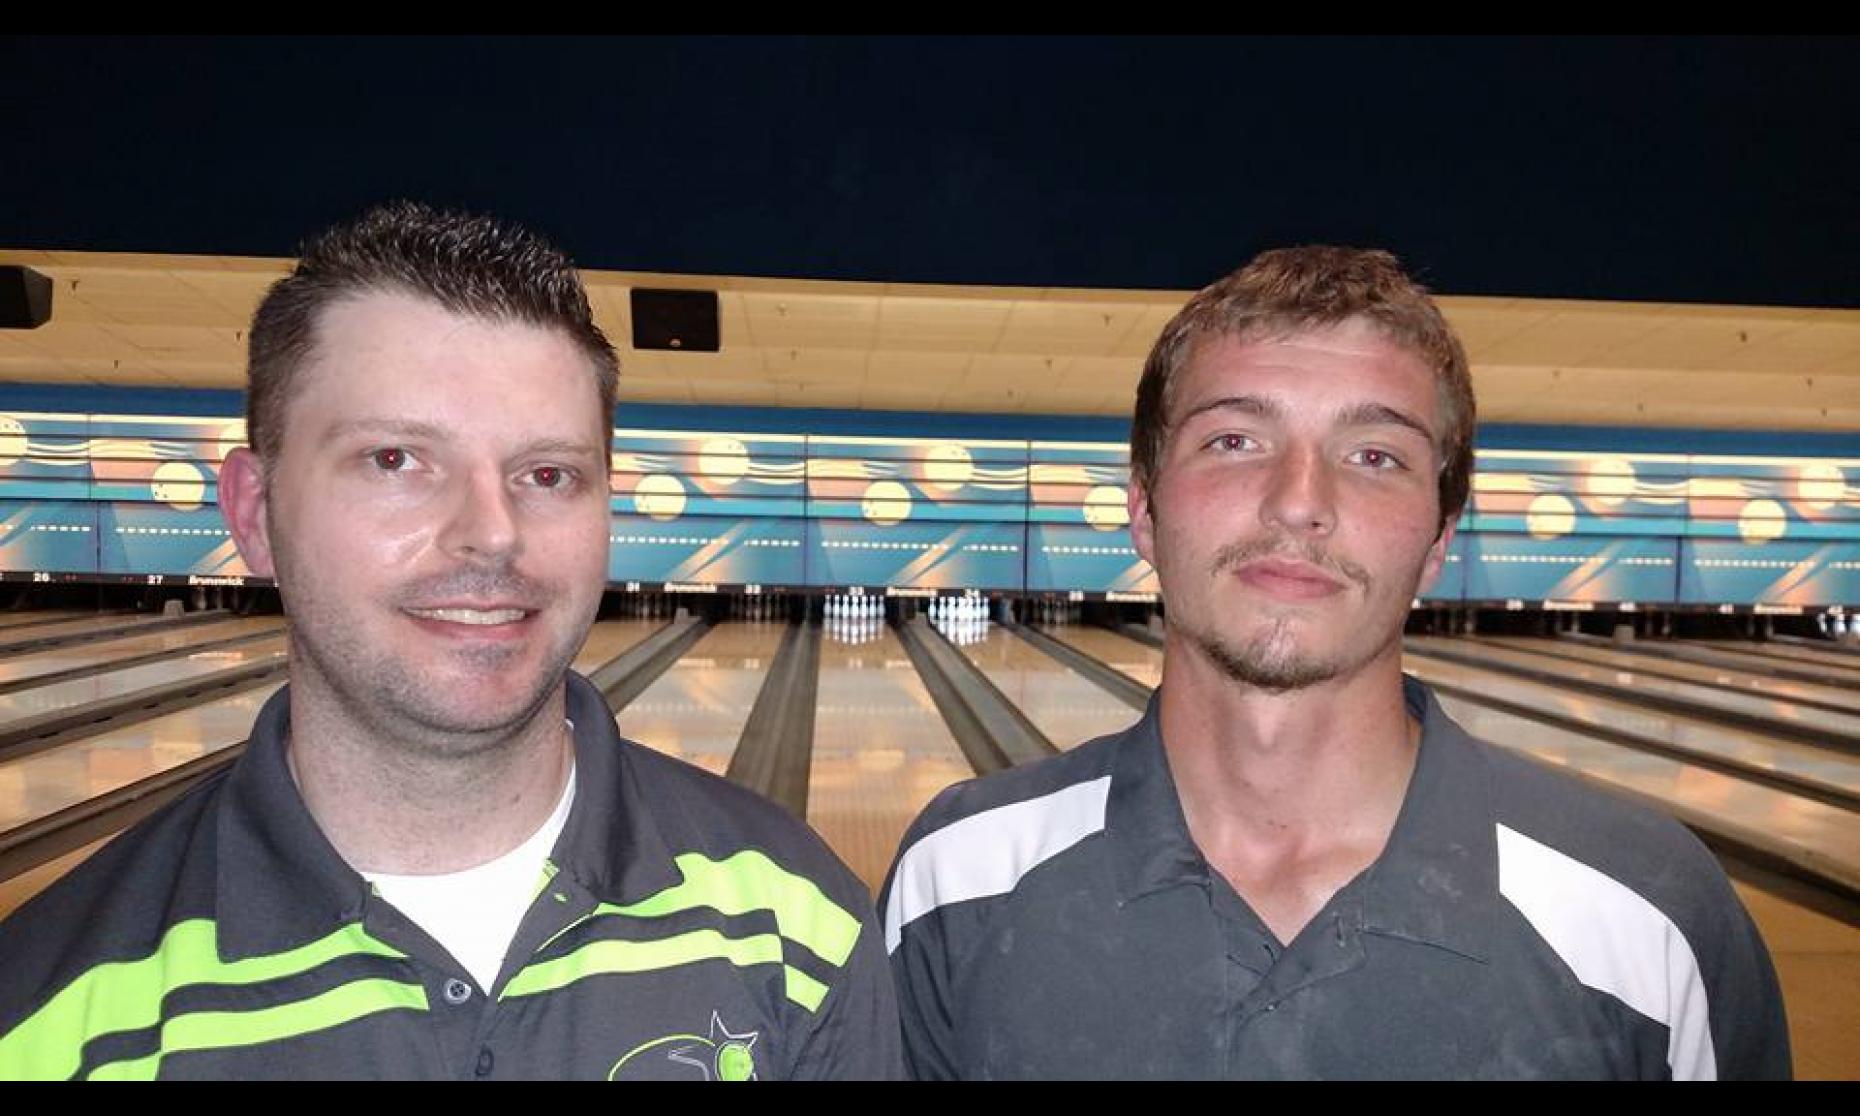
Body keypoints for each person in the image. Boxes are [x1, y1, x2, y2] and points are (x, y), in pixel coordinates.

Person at [0, 203, 901, 1080]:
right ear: (253, 512)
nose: (490, 531)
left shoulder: (796, 921)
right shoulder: (46, 1016)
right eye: (396, 460)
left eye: (547, 473)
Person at [880, 246, 1790, 1079]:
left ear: (1438, 539)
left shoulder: (1647, 912)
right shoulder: (959, 878)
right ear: (1145, 511)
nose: (1299, 502)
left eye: (1375, 454)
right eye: (1234, 440)